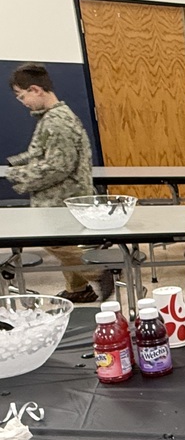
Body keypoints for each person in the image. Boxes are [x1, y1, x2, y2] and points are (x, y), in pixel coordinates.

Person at [7, 63, 114, 302]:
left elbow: (58, 167)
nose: (23, 102)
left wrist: (18, 175)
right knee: (66, 242)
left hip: (63, 196)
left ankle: (96, 271)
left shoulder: (57, 121)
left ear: (35, 90)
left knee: (57, 243)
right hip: (63, 195)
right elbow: (41, 151)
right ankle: (78, 290)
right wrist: (13, 163)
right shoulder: (51, 118)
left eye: (22, 96)